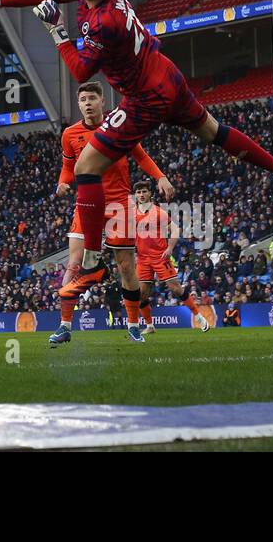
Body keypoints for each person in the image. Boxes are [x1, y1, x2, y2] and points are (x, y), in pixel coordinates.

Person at [0, 0, 273, 293]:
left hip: (145, 97)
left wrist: (56, 31)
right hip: (165, 73)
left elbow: (81, 71)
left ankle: (92, 263)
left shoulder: (105, 22)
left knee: (86, 168)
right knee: (213, 131)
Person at [50, 82, 174, 347]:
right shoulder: (70, 134)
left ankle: (133, 326)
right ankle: (64, 326)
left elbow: (141, 156)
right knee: (74, 263)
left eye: (92, 98)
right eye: (82, 99)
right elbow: (67, 167)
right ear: (79, 104)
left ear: (102, 101)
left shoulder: (118, 128)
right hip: (86, 203)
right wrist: (63, 182)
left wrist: (160, 177)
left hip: (119, 204)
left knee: (126, 266)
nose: (87, 103)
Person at [133, 183, 208, 334]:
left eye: (144, 191)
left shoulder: (158, 212)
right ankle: (150, 326)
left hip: (160, 257)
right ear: (135, 195)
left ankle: (198, 316)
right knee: (141, 295)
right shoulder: (132, 214)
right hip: (142, 260)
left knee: (175, 288)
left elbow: (175, 229)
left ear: (149, 194)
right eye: (139, 192)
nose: (141, 194)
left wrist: (169, 248)